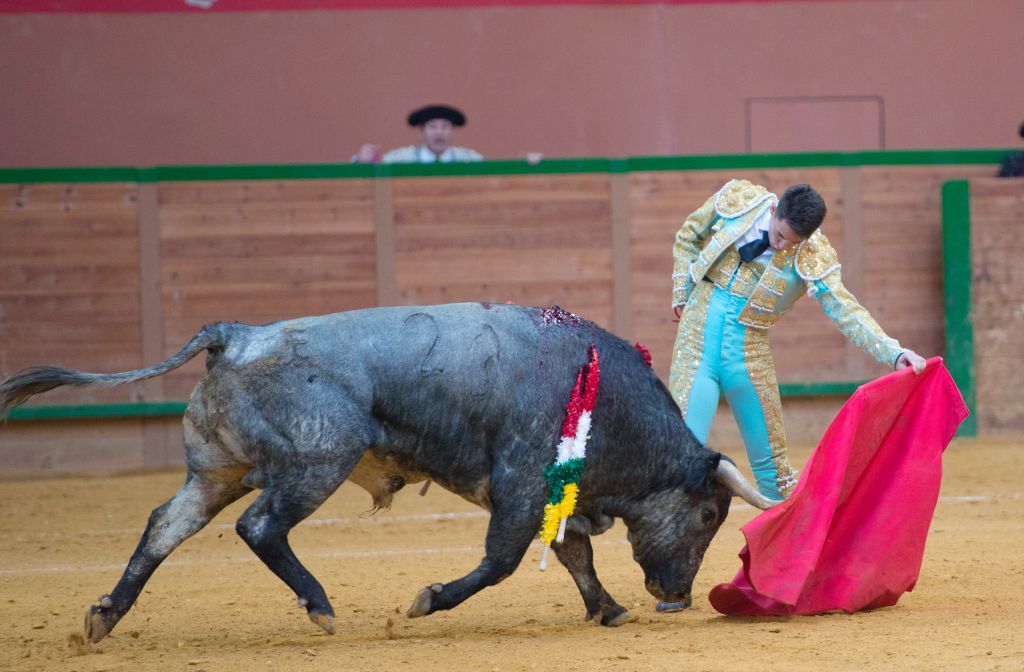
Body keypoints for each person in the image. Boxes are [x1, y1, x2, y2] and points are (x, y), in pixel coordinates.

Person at [669, 179, 927, 501]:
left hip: (747, 355)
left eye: (792, 244)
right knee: (678, 459)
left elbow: (846, 310)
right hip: (697, 342)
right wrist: (682, 288)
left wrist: (893, 352)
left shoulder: (813, 254)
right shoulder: (740, 198)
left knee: (775, 474)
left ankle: (786, 552)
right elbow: (688, 235)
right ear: (775, 209)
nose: (781, 247)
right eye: (779, 236)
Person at [353, 104, 484, 164]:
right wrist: (361, 161)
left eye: (445, 126)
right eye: (432, 126)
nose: (439, 132)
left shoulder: (469, 159)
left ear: (451, 131)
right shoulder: (402, 159)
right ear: (422, 132)